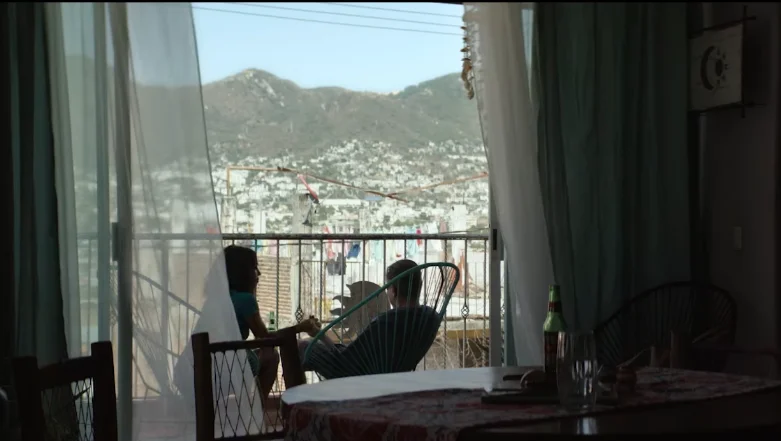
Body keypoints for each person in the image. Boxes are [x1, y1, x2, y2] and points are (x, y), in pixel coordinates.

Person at [298, 259, 436, 378]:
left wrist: (320, 336)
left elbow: (346, 359)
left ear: (393, 290)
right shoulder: (430, 317)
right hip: (393, 374)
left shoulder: (385, 323)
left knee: (302, 346)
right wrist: (321, 336)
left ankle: (295, 399)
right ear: (419, 286)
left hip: (357, 376)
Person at [222, 245, 319, 401]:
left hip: (209, 359)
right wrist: (300, 327)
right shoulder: (245, 300)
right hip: (227, 364)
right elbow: (265, 338)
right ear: (242, 273)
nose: (259, 273)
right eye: (254, 268)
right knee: (271, 355)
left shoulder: (220, 297)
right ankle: (256, 408)